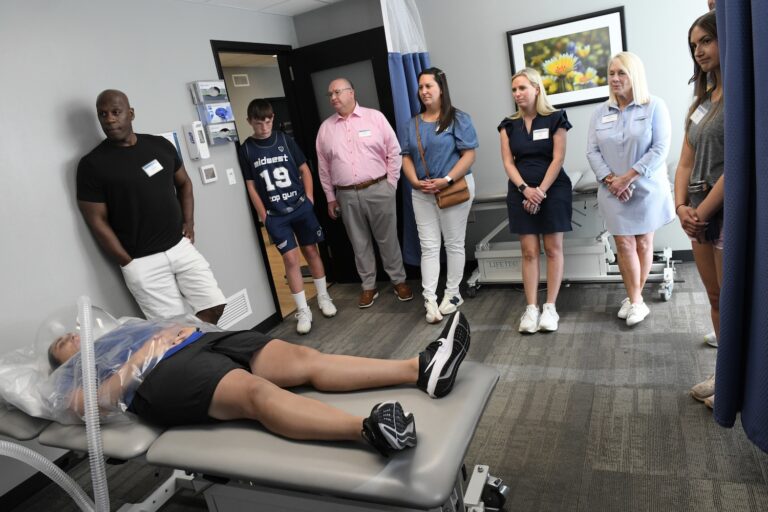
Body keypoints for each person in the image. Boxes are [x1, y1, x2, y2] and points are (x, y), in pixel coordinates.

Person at [46, 312, 471, 456]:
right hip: (159, 377)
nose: (66, 338)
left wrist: (171, 332)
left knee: (306, 360)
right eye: (59, 347)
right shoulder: (82, 372)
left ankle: (421, 369)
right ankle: (368, 431)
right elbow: (88, 406)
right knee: (255, 394)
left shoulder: (115, 330)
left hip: (201, 342)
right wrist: (144, 354)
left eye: (67, 333)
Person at [76, 90, 226, 324]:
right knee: (173, 330)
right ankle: (202, 356)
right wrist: (128, 261)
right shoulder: (92, 165)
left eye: (116, 112)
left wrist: (189, 223)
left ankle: (203, 348)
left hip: (180, 247)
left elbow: (185, 183)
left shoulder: (160, 146)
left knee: (214, 305)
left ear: (131, 113)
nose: (110, 119)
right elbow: (96, 221)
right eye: (103, 114)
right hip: (142, 262)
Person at [586, 52, 674, 326]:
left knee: (644, 242)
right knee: (624, 243)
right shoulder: (600, 113)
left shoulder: (654, 106)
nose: (614, 78)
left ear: (634, 75)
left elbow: (660, 148)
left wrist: (628, 178)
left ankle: (635, 299)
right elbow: (591, 151)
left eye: (621, 73)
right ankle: (636, 299)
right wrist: (613, 180)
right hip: (613, 189)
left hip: (646, 188)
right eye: (611, 73)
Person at [239, 99, 336, 334]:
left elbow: (304, 169)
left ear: (273, 118)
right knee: (291, 260)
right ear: (250, 122)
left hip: (301, 206)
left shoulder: (284, 139)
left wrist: (310, 199)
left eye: (268, 120)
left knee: (311, 251)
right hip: (275, 214)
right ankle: (303, 310)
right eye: (259, 122)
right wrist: (263, 215)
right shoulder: (247, 149)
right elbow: (251, 186)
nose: (264, 126)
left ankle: (323, 296)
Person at [316, 78, 413, 309]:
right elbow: (323, 167)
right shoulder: (326, 129)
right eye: (330, 94)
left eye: (337, 92)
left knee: (388, 240)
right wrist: (330, 197)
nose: (333, 98)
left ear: (351, 92)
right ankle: (368, 286)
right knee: (359, 243)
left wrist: (391, 184)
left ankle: (399, 281)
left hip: (379, 189)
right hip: (346, 195)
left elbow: (394, 151)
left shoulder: (375, 118)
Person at [400, 68, 478, 324]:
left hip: (453, 189)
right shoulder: (412, 124)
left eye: (428, 86)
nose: (423, 92)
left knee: (454, 244)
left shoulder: (458, 118)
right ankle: (430, 298)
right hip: (422, 192)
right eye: (420, 87)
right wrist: (414, 181)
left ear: (441, 88)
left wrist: (445, 180)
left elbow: (469, 155)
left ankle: (453, 294)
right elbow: (407, 157)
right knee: (429, 247)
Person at [498, 68, 572, 333]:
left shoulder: (556, 118)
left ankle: (550, 307)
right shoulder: (508, 124)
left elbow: (558, 158)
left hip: (553, 189)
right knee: (529, 252)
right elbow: (508, 162)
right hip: (520, 191)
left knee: (553, 250)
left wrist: (540, 190)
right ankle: (531, 309)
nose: (517, 94)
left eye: (522, 88)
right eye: (514, 90)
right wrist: (524, 189)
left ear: (536, 88)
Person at [675, 11, 723, 409]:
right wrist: (680, 207)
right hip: (697, 215)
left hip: (723, 213)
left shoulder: (739, 99)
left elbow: (739, 163)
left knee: (734, 297)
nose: (699, 50)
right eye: (694, 45)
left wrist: (702, 210)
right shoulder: (701, 102)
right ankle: (724, 371)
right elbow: (685, 163)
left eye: (706, 40)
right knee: (714, 296)